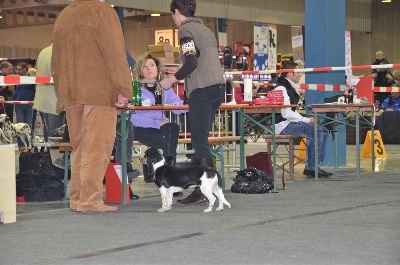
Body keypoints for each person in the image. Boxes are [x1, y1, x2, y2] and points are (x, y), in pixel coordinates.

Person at [51, 0, 132, 213]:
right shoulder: (104, 12)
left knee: (79, 146)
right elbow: (116, 54)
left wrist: (62, 92)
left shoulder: (65, 14)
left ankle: (78, 198)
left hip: (71, 93)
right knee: (97, 147)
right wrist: (125, 89)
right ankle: (90, 200)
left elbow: (55, 61)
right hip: (99, 91)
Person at [160, 0, 226, 205]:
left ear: (177, 12)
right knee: (202, 138)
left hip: (202, 90)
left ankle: (203, 189)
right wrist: (179, 70)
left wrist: (172, 79)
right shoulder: (205, 29)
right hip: (218, 88)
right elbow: (198, 59)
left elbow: (192, 61)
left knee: (198, 140)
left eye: (172, 14)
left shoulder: (185, 30)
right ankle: (209, 186)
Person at [129, 53, 187, 186]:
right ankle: (170, 176)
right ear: (140, 71)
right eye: (145, 66)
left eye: (152, 65)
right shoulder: (136, 89)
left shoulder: (165, 88)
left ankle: (167, 170)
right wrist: (156, 122)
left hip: (160, 130)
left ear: (157, 68)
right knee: (169, 137)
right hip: (140, 129)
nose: (149, 69)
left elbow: (178, 105)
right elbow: (132, 117)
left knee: (173, 127)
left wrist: (190, 105)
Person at [273, 61, 332, 178]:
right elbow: (286, 113)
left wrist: (305, 118)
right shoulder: (281, 88)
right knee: (319, 131)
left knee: (322, 130)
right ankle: (312, 168)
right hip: (282, 125)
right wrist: (307, 120)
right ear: (290, 73)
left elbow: (290, 113)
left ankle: (313, 167)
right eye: (298, 72)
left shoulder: (287, 87)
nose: (300, 75)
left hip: (286, 122)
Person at [13, 63, 36, 151]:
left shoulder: (32, 79)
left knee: (29, 125)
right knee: (19, 125)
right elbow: (15, 90)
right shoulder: (16, 79)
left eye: (19, 69)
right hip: (19, 104)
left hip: (29, 104)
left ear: (25, 69)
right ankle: (21, 145)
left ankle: (30, 143)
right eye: (17, 69)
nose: (18, 71)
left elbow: (34, 90)